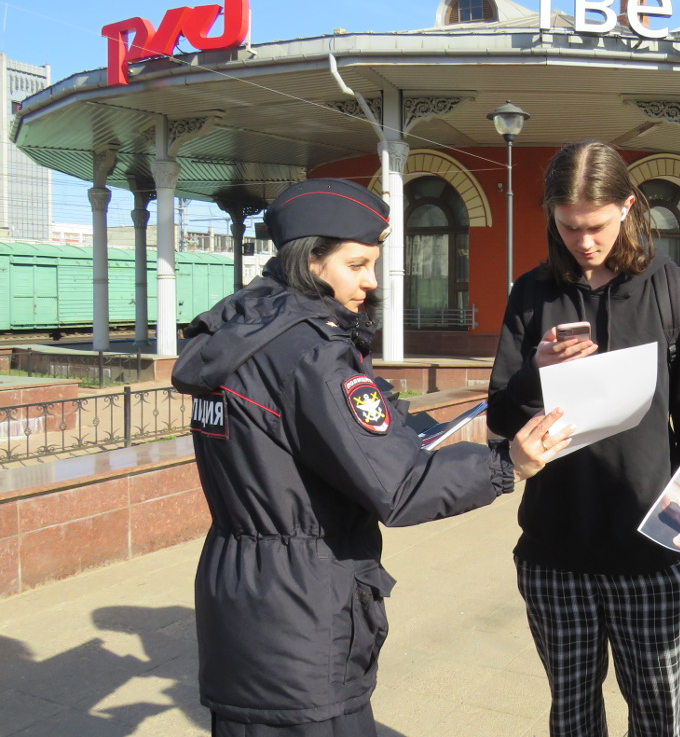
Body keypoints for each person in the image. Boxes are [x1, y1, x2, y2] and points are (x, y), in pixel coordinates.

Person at [171, 177, 572, 737]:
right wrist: (510, 465)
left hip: (239, 596)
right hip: (305, 613)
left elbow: (331, 439)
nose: (370, 282)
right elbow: (401, 489)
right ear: (312, 262)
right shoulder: (312, 354)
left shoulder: (243, 330)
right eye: (357, 265)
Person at [487, 140, 680, 737]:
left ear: (628, 207)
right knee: (572, 713)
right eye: (568, 227)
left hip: (652, 550)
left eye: (595, 226)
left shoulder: (670, 288)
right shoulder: (532, 291)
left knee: (657, 711)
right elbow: (499, 416)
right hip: (555, 551)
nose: (583, 241)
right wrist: (537, 370)